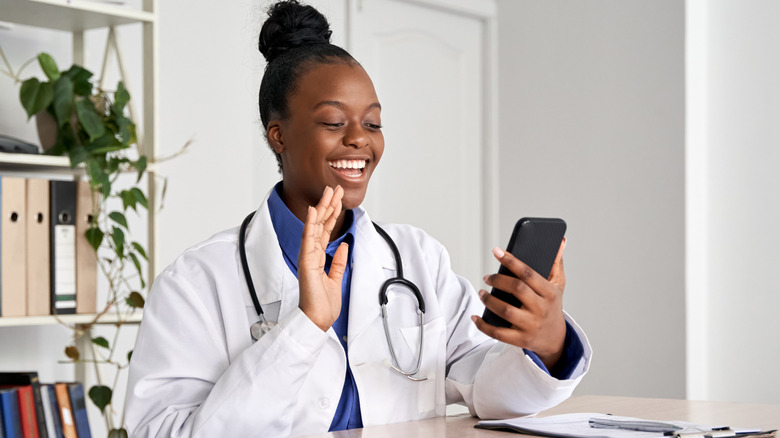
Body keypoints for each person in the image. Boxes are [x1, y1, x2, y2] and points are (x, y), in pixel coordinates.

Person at [125, 1, 592, 437]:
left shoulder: (418, 258)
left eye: (372, 123)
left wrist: (546, 344)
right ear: (278, 135)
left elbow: (485, 390)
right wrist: (305, 327)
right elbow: (160, 431)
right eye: (333, 122)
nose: (359, 140)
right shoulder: (195, 282)